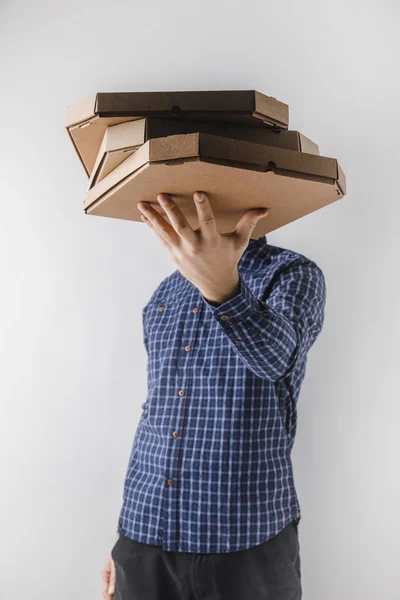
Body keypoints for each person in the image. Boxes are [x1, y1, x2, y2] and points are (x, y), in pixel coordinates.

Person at [101, 191, 326, 600]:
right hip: (145, 535)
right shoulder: (163, 296)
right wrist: (123, 536)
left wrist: (224, 287)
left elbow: (278, 360)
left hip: (247, 540)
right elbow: (157, 411)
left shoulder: (292, 272)